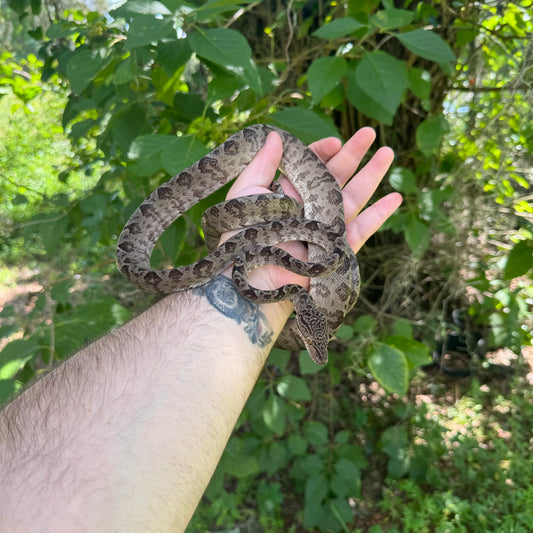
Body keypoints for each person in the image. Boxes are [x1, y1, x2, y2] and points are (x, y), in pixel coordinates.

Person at [0, 128, 401, 532]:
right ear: (301, 304)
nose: (317, 347)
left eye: (315, 338)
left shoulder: (312, 268)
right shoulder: (311, 262)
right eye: (314, 338)